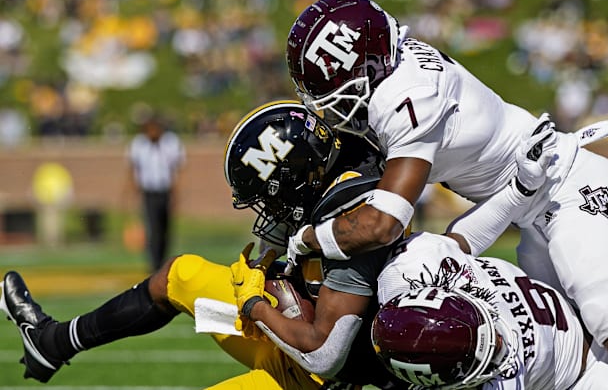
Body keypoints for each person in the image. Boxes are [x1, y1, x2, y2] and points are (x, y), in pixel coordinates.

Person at [284, 0, 608, 374]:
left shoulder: (407, 97)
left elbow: (384, 224)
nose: (329, 108)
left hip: (567, 191)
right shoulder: (395, 71)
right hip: (530, 204)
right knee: (587, 360)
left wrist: (305, 240)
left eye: (332, 91)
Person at [0, 101, 401, 389]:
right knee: (179, 275)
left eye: (270, 194)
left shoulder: (353, 218)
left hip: (314, 371)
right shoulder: (320, 171)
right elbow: (277, 239)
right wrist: (262, 270)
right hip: (283, 327)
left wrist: (254, 305)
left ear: (298, 176)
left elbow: (324, 355)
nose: (267, 209)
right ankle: (51, 342)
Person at [371, 231, 608, 389]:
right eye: (484, 360)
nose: (498, 346)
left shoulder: (418, 262)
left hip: (593, 313)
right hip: (587, 380)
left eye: (486, 334)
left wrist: (518, 189)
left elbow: (465, 235)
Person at [126, 113, 185, 272]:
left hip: (164, 191)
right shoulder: (138, 144)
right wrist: (133, 192)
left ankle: (163, 261)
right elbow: (133, 169)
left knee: (165, 228)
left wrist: (175, 194)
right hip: (149, 192)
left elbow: (176, 169)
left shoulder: (171, 142)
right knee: (152, 228)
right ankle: (154, 265)